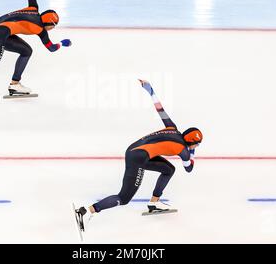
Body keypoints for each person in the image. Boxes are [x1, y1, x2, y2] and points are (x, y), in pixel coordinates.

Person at [74, 80, 203, 232]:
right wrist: (193, 151)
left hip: (137, 152)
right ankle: (86, 211)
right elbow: (189, 168)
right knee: (123, 198)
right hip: (138, 158)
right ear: (192, 143)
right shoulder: (184, 150)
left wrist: (150, 90)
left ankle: (154, 203)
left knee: (168, 169)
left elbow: (160, 109)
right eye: (197, 144)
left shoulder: (172, 128)